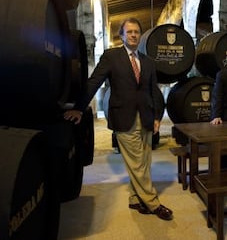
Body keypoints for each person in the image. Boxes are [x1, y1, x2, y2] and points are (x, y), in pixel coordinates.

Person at [63, 17, 173, 221]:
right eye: (129, 32)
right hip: (124, 116)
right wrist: (79, 108)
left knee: (144, 162)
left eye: (136, 32)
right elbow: (94, 81)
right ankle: (153, 203)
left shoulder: (148, 61)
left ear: (140, 36)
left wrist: (158, 116)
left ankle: (134, 198)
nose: (133, 35)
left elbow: (153, 91)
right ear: (122, 35)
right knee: (137, 162)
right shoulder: (111, 56)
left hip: (148, 117)